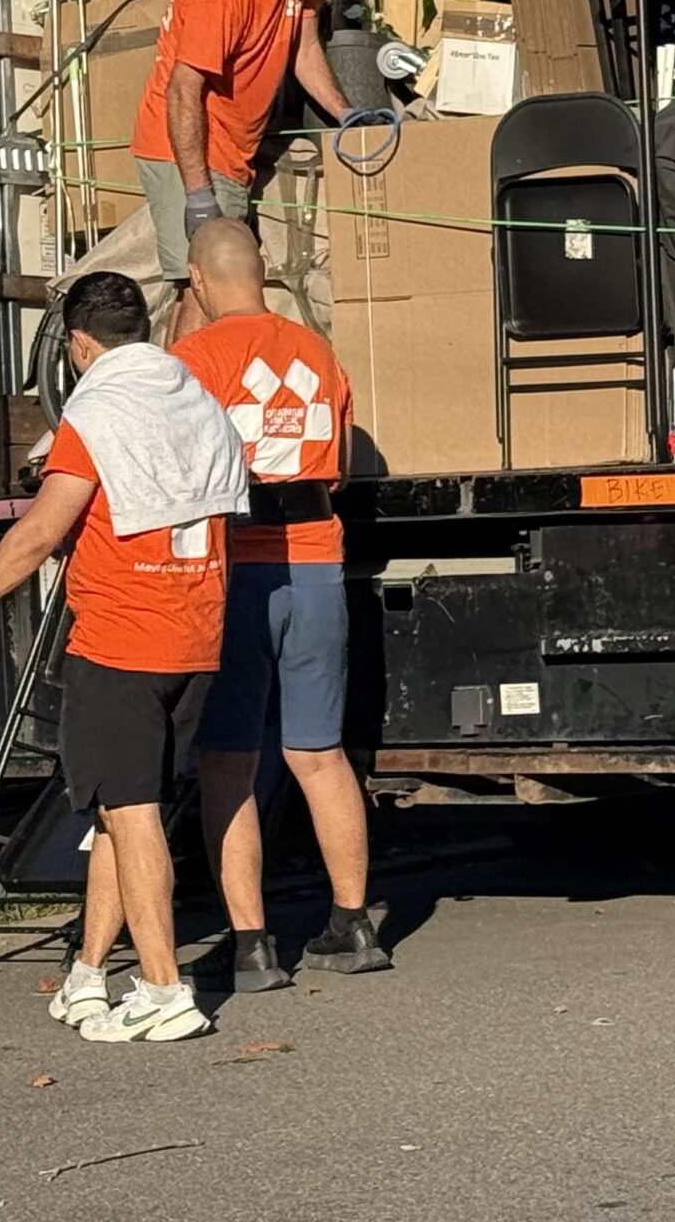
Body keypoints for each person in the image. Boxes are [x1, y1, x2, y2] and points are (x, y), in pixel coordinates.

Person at [0, 272, 249, 1043]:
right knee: (117, 811)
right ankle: (88, 975)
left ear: (76, 343)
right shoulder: (196, 399)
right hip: (196, 633)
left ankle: (164, 989)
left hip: (122, 640)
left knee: (132, 816)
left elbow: (41, 531)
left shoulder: (96, 413)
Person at [171, 220, 389, 990]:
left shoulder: (194, 358)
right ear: (261, 273)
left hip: (237, 572)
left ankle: (252, 944)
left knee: (228, 761)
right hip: (318, 566)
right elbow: (339, 469)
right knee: (319, 755)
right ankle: (353, 924)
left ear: (198, 282)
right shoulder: (317, 352)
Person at [130, 0, 350, 341]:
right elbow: (182, 90)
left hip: (233, 153)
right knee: (210, 287)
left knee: (206, 291)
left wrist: (347, 114)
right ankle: (187, 387)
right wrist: (198, 194)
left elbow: (305, 50)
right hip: (188, 147)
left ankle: (184, 380)